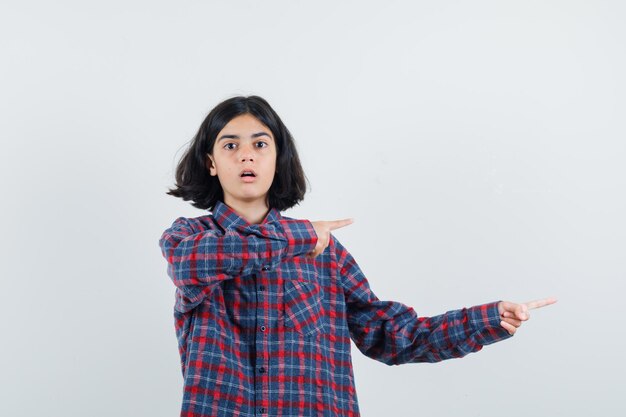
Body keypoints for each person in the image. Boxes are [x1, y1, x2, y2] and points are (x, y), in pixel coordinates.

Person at [158, 95, 556, 417]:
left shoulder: (325, 253)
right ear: (211, 162)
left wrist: (487, 320)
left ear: (278, 159)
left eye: (260, 144)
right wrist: (297, 236)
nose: (247, 155)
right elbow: (194, 263)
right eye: (231, 145)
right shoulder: (189, 237)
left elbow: (391, 335)